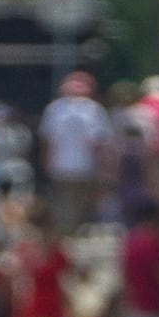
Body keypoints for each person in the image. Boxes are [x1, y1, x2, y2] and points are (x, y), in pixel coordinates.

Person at [38, 75, 112, 230]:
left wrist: (46, 160)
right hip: (84, 163)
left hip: (61, 163)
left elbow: (47, 139)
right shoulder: (93, 109)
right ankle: (74, 228)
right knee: (80, 199)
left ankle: (65, 229)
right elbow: (100, 141)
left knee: (64, 199)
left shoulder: (55, 108)